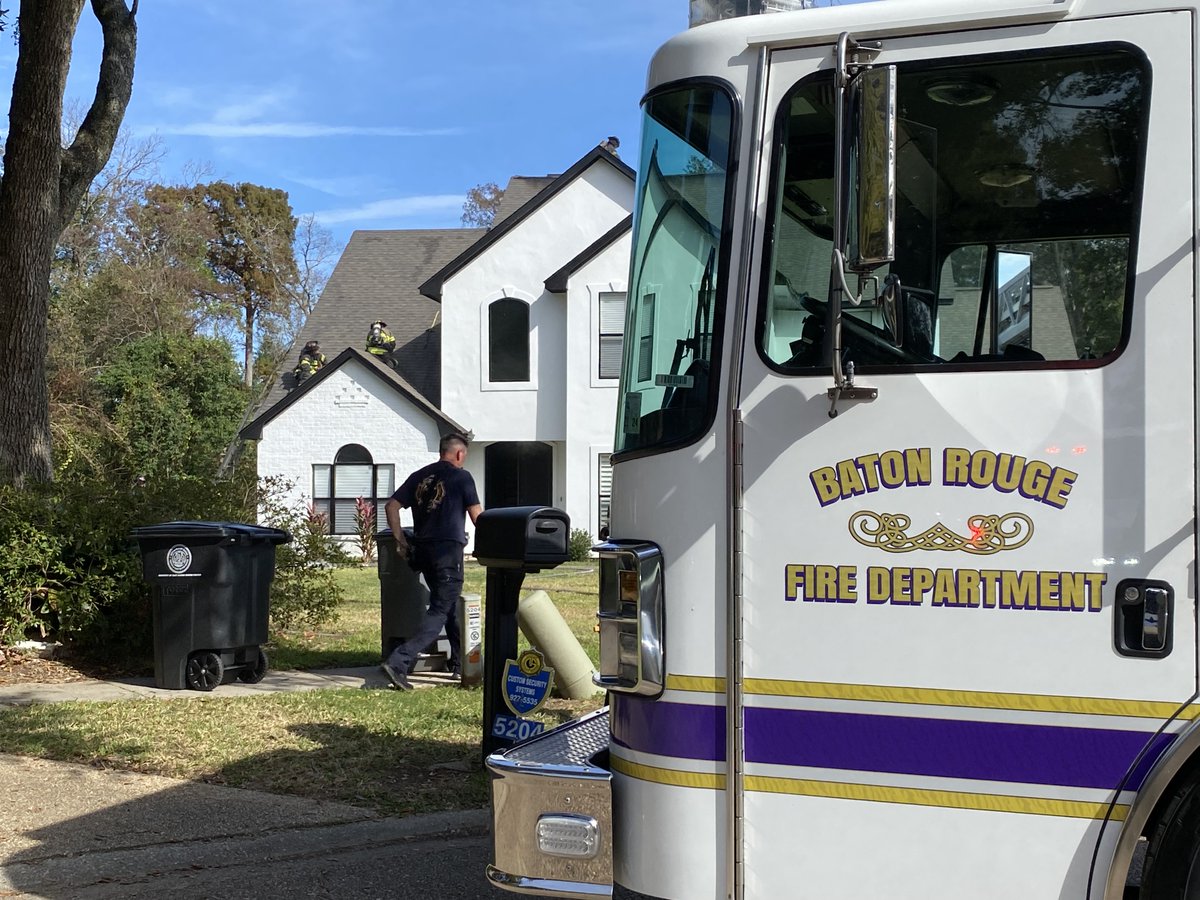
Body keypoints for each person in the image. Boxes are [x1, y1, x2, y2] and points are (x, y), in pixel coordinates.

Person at [381, 433, 482, 690]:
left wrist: (401, 541)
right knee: (439, 610)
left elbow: (391, 506)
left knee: (447, 607)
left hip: (423, 552)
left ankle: (461, 665)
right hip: (448, 553)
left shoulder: (420, 476)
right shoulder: (462, 477)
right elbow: (478, 518)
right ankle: (398, 662)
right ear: (459, 454)